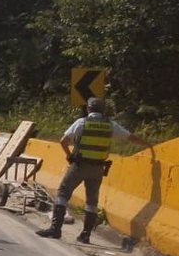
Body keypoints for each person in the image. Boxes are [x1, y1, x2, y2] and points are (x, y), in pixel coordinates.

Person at [37, 97, 151, 242]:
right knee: (91, 201)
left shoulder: (82, 123)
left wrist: (69, 156)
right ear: (103, 110)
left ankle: (55, 229)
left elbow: (63, 141)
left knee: (62, 193)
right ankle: (85, 235)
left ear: (88, 109)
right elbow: (130, 137)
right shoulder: (111, 125)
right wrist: (148, 145)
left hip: (79, 166)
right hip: (98, 168)